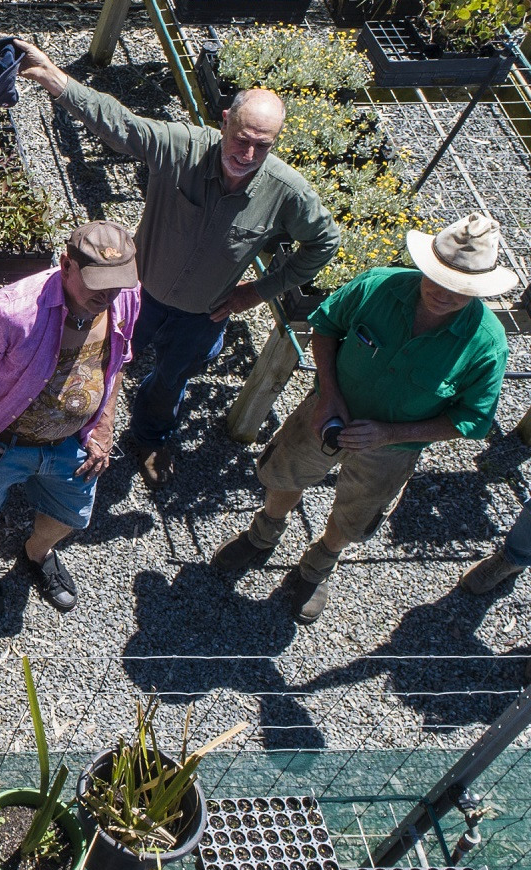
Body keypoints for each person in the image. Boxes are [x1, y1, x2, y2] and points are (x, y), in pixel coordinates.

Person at [11, 39, 341, 488]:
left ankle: (149, 437)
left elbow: (324, 242)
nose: (246, 156)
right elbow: (122, 125)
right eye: (241, 140)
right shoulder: (183, 147)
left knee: (171, 380)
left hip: (203, 313)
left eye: (261, 147)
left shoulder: (286, 191)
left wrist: (258, 292)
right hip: (136, 294)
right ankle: (65, 428)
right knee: (97, 358)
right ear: (224, 121)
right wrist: (56, 80)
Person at [213, 213, 512, 624]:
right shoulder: (379, 284)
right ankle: (263, 533)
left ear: (477, 290)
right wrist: (329, 396)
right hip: (325, 414)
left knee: (356, 514)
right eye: (437, 277)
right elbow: (326, 326)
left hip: (392, 449)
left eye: (459, 289)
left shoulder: (487, 345)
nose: (443, 293)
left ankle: (319, 566)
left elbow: (471, 421)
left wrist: (390, 434)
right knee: (284, 474)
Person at [0, 222, 143, 613]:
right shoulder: (11, 312)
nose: (108, 295)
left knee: (73, 513)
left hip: (75, 442)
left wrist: (104, 427)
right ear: (65, 265)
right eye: (97, 282)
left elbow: (118, 361)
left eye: (117, 283)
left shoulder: (125, 299)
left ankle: (37, 552)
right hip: (1, 442)